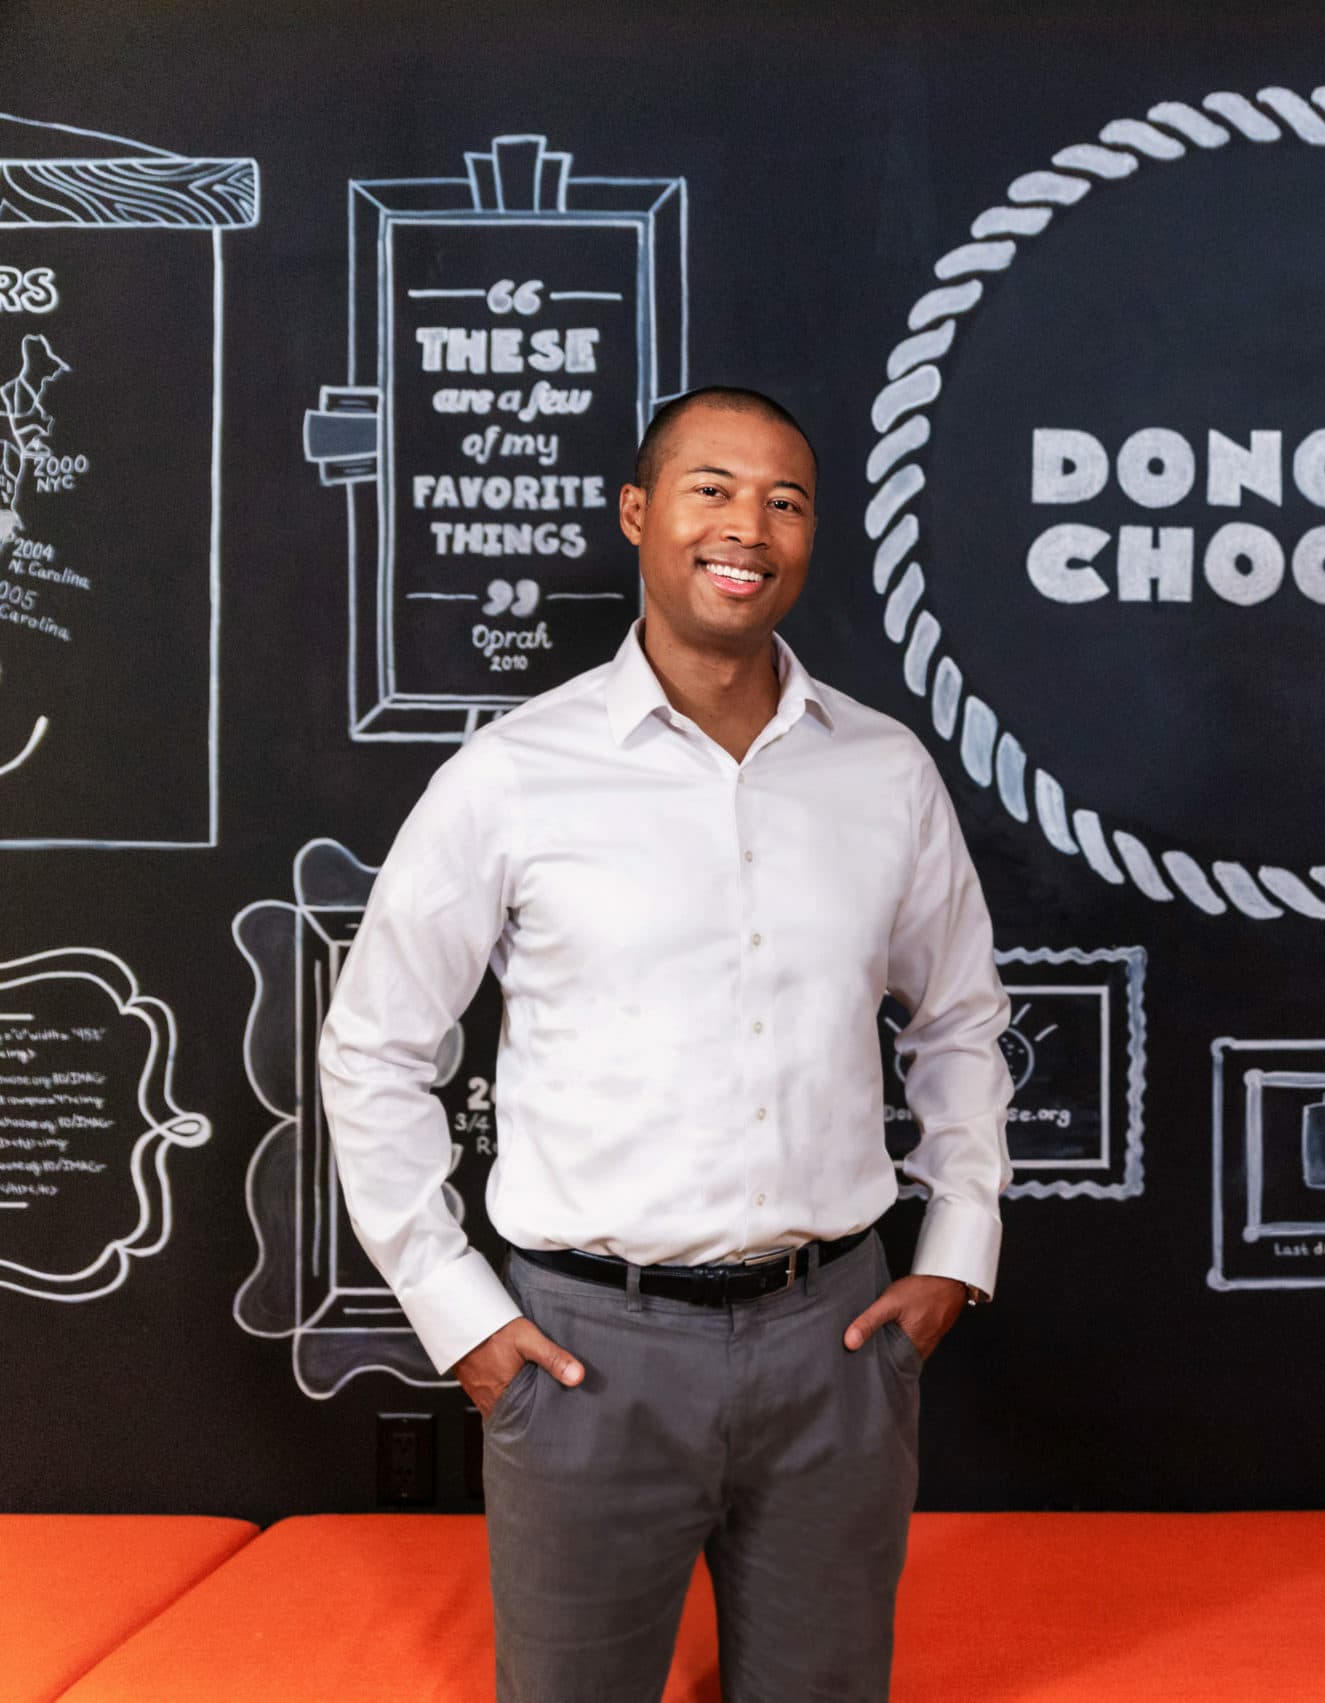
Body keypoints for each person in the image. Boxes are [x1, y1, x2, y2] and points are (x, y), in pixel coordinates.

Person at [319, 386, 1014, 1703]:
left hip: (841, 1344)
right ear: (639, 514)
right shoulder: (515, 774)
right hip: (586, 1356)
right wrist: (459, 1314)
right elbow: (374, 1049)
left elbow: (964, 1020)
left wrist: (958, 1251)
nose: (747, 525)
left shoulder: (885, 772)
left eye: (786, 499)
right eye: (711, 488)